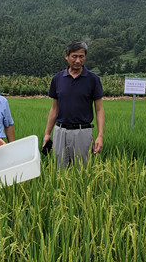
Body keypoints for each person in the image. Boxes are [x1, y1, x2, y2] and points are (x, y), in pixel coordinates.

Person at [42, 40, 105, 168]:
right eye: (74, 56)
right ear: (66, 56)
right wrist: (47, 133)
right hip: (60, 131)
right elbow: (54, 108)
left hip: (83, 132)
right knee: (60, 170)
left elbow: (99, 109)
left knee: (82, 171)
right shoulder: (58, 78)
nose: (78, 60)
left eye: (81, 56)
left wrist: (100, 135)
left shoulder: (93, 79)